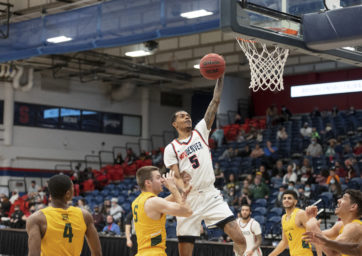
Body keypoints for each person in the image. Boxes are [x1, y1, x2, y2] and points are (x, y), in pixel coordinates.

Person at [163, 76, 246, 256]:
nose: (187, 117)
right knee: (185, 252)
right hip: (189, 198)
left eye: (188, 115)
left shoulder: (200, 131)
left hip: (210, 194)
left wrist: (220, 77)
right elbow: (175, 176)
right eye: (182, 116)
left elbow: (215, 101)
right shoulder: (171, 148)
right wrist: (182, 185)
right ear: (174, 124)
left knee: (240, 238)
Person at [26, 174, 102, 256]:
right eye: (72, 187)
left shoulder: (36, 219)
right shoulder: (85, 215)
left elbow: (34, 254)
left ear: (50, 194)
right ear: (68, 194)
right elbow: (97, 253)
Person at [131, 166, 193, 256]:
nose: (162, 180)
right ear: (148, 182)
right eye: (158, 177)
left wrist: (181, 185)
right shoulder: (154, 202)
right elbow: (187, 211)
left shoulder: (138, 201)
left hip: (142, 252)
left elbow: (168, 200)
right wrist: (172, 188)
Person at [305, 189, 362, 256]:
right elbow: (313, 236)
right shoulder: (340, 225)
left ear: (353, 207)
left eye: (344, 198)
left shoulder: (354, 227)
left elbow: (333, 252)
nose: (338, 200)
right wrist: (311, 218)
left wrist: (313, 224)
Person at [269, 190, 320, 256]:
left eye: (289, 198)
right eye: (284, 198)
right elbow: (284, 242)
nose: (286, 200)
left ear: (295, 202)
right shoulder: (283, 218)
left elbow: (316, 235)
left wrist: (320, 255)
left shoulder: (300, 214)